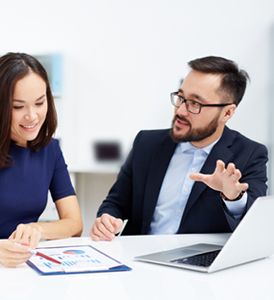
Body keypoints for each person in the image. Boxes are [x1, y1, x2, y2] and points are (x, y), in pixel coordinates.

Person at [90, 56, 268, 241]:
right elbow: (116, 202)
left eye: (195, 104)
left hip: (200, 264)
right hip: (139, 258)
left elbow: (254, 230)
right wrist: (107, 220)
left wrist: (233, 197)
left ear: (227, 112)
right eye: (181, 97)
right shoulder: (146, 143)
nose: (181, 111)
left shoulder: (250, 154)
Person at [0, 52, 82, 267]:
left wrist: (38, 229)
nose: (32, 116)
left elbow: (75, 224)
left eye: (39, 103)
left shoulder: (51, 149)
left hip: (23, 262)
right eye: (18, 107)